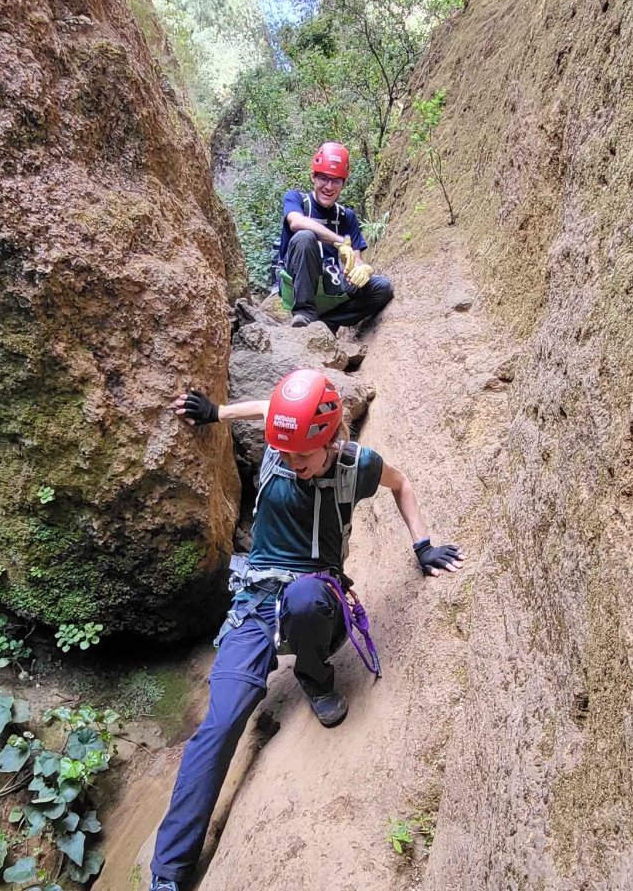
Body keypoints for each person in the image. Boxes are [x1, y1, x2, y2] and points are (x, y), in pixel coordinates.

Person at [146, 370, 464, 891]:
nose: (291, 462)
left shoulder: (355, 467)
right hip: (255, 596)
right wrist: (215, 414)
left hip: (316, 595)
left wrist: (422, 545)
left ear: (332, 440)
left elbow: (401, 485)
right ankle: (169, 874)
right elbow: (266, 410)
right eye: (284, 451)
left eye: (302, 456)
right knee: (222, 721)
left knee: (306, 598)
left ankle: (315, 675)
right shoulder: (282, 440)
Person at [277, 142, 395, 331]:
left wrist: (361, 270)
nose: (329, 186)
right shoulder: (296, 199)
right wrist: (339, 241)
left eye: (336, 181)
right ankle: (304, 314)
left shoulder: (346, 217)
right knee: (305, 237)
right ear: (313, 177)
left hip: (332, 285)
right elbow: (296, 222)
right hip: (298, 285)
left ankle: (326, 323)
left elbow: (355, 261)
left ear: (343, 184)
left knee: (383, 287)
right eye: (323, 178)